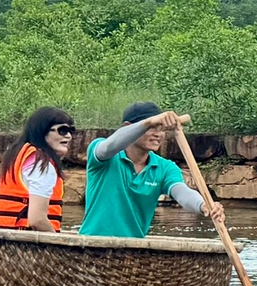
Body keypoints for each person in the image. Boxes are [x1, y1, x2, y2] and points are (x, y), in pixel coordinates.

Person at [80, 102, 225, 239]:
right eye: (152, 128)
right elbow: (109, 146)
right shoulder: (103, 154)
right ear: (127, 127)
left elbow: (182, 193)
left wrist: (203, 205)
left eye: (161, 129)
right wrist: (147, 123)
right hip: (91, 244)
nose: (158, 134)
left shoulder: (165, 167)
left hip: (131, 250)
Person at [0, 107, 75, 232]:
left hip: (4, 241)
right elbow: (37, 219)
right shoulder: (41, 164)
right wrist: (59, 242)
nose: (69, 136)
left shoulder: (17, 155)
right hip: (24, 243)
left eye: (71, 131)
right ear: (42, 131)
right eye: (62, 130)